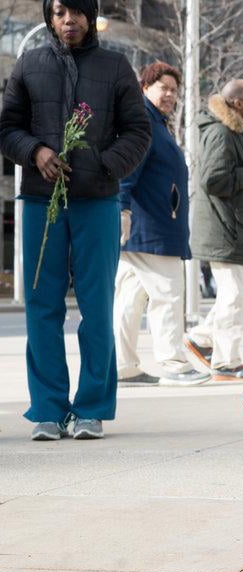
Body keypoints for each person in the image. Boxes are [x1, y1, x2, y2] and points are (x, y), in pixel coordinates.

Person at [0, 0, 150, 440]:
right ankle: (47, 408)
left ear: (90, 15)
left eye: (78, 12)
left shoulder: (116, 65)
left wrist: (105, 165)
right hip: (39, 202)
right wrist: (36, 151)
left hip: (97, 202)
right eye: (61, 11)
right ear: (50, 15)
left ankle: (92, 408)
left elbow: (138, 131)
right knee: (42, 307)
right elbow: (6, 128)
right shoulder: (28, 64)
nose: (70, 21)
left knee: (96, 307)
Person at [114, 62, 210, 388]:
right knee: (168, 296)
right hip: (151, 227)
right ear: (145, 87)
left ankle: (122, 366)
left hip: (148, 226)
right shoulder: (143, 122)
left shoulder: (157, 123)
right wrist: (122, 210)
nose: (169, 94)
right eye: (163, 87)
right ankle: (173, 364)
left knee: (129, 299)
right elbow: (128, 170)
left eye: (174, 90)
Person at [187, 80, 243, 381]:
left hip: (237, 230)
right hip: (226, 229)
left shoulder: (233, 130)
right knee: (233, 296)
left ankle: (202, 336)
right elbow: (213, 179)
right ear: (236, 103)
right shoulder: (221, 132)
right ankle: (226, 362)